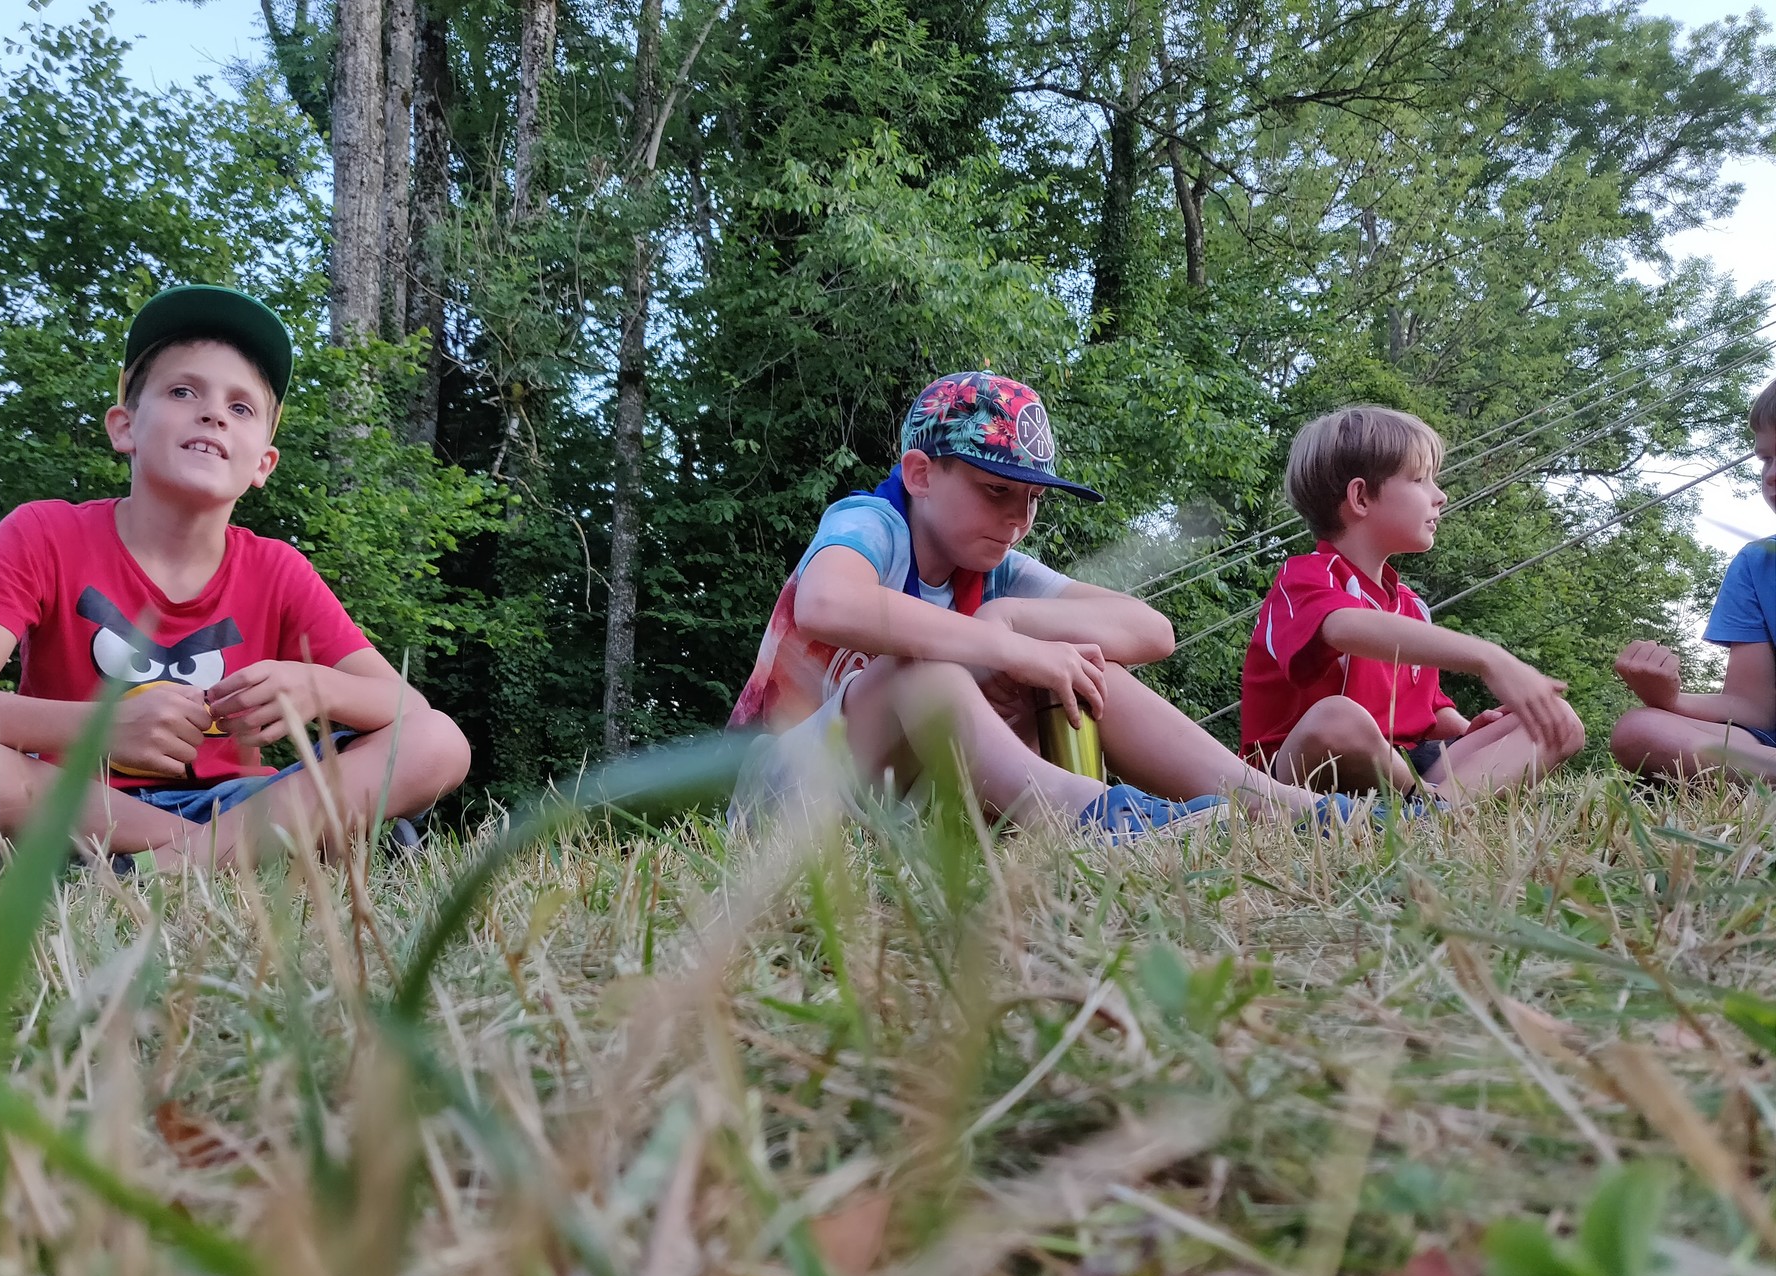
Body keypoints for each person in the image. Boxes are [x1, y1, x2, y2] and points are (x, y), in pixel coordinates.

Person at [0, 284, 469, 878]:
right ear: (124, 427)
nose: (213, 413)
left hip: (242, 803)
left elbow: (406, 709)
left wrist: (316, 686)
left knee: (437, 741)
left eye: (241, 408)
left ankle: (140, 869)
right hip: (79, 803)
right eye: (183, 391)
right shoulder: (43, 533)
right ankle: (247, 856)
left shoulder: (277, 569)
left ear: (263, 463)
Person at [727, 371, 1332, 836]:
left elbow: (1152, 630)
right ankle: (1092, 818)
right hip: (783, 800)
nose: (1019, 519)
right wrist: (1004, 647)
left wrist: (1013, 621)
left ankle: (1280, 806)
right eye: (996, 490)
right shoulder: (873, 522)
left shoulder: (994, 569)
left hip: (902, 808)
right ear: (920, 475)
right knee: (925, 667)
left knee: (1078, 660)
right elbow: (827, 603)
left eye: (1033, 498)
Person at [1239, 404, 1584, 799]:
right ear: (1360, 497)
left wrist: (1469, 732)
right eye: (1421, 479)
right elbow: (1342, 627)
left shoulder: (1410, 605)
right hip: (1297, 771)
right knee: (1337, 719)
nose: (1440, 496)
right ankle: (1434, 802)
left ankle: (1439, 809)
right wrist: (1490, 658)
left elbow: (1429, 712)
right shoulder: (1304, 577)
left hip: (1404, 768)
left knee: (1559, 722)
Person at [1609, 380, 1776, 781]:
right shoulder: (1755, 565)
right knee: (1639, 730)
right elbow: (1754, 708)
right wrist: (1669, 699)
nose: (1771, 476)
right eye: (1766, 459)